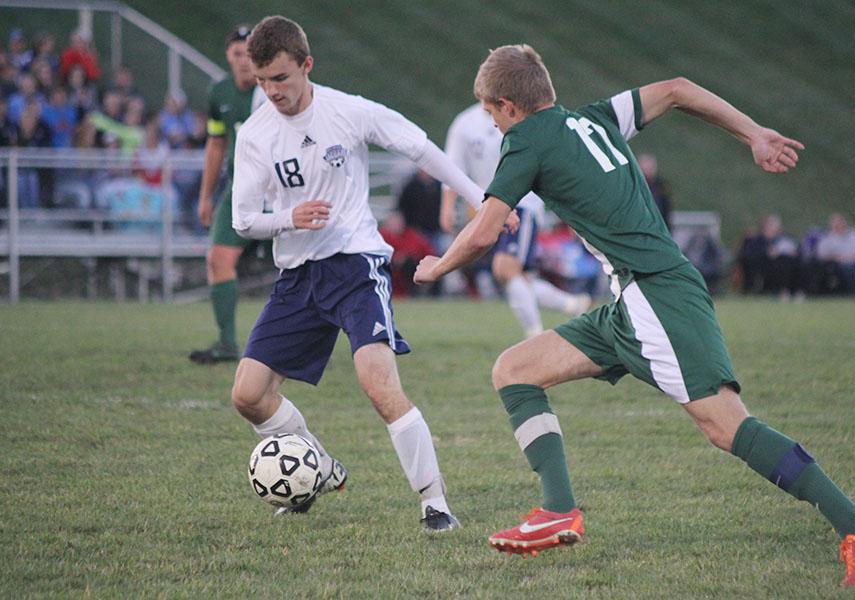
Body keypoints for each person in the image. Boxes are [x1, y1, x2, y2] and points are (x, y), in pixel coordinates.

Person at [414, 44, 855, 585]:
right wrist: (753, 133)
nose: (494, 126)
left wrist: (437, 267)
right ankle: (556, 509)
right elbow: (678, 89)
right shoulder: (591, 118)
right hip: (630, 301)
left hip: (655, 298)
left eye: (492, 114)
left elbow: (481, 231)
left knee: (725, 425)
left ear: (510, 106)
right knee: (514, 369)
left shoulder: (526, 138)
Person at [228, 15, 500, 531]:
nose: (272, 92)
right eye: (263, 81)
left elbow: (418, 145)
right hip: (297, 276)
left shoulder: (346, 112)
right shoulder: (255, 134)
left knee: (377, 384)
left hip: (354, 264)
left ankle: (435, 503)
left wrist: (481, 201)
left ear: (307, 66)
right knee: (247, 395)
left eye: (281, 78)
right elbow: (244, 219)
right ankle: (321, 467)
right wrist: (290, 217)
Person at [442, 102, 591, 339]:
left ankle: (535, 335)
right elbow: (453, 167)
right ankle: (572, 304)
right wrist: (448, 206)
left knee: (505, 267)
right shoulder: (464, 123)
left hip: (522, 203)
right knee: (516, 277)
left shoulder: (522, 115)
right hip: (488, 209)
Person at [188, 26, 267, 364]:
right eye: (238, 54)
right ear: (229, 57)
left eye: (250, 54)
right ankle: (227, 344)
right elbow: (216, 143)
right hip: (240, 192)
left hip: (281, 193)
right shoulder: (219, 91)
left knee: (311, 266)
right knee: (218, 260)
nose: (245, 61)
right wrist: (206, 196)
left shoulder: (272, 89)